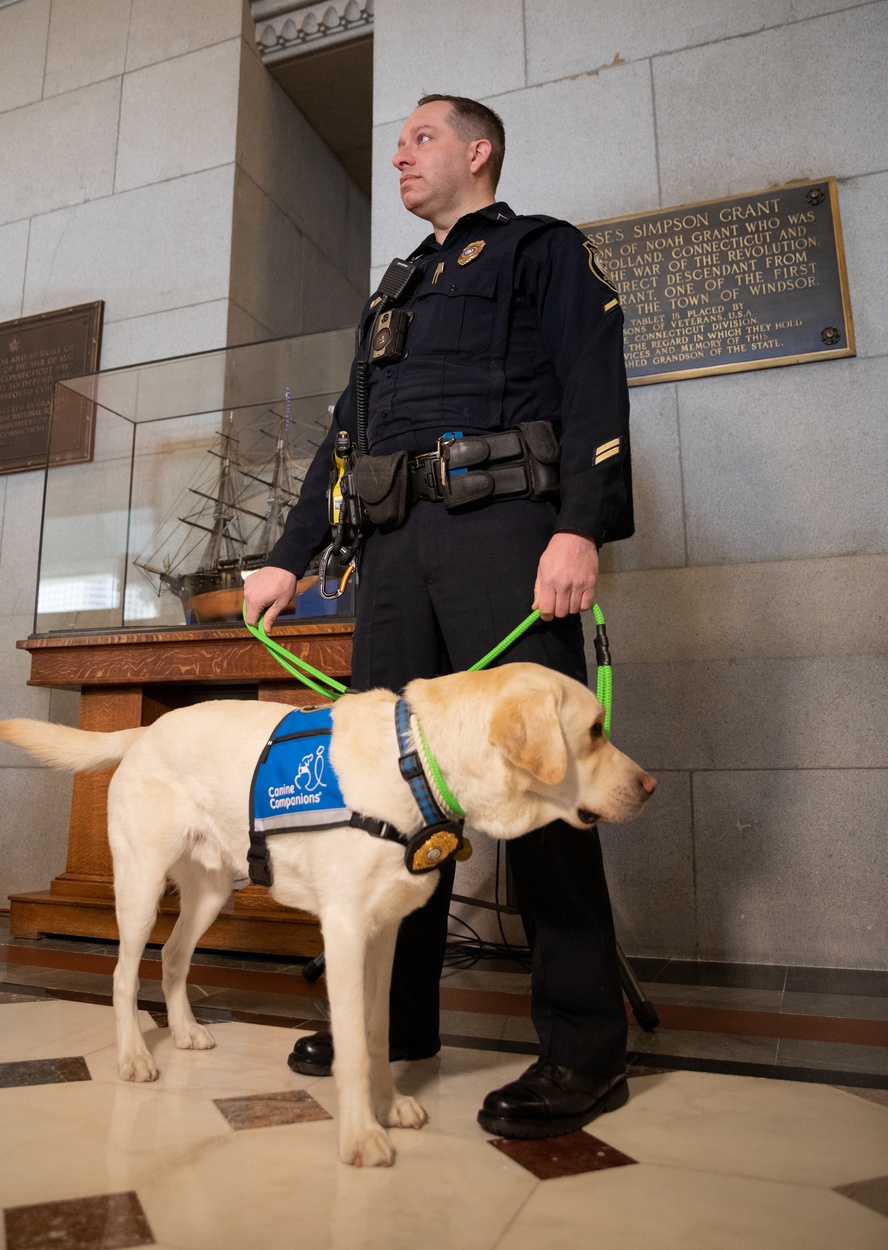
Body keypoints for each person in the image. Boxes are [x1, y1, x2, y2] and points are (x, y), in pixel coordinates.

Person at [243, 94, 634, 1139]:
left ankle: (584, 1049)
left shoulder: (543, 251)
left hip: (506, 534)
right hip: (395, 549)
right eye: (400, 141)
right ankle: (397, 1022)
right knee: (388, 790)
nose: (401, 154)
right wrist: (288, 558)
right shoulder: (396, 288)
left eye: (421, 138)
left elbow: (596, 386)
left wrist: (579, 528)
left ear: (478, 149)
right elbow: (344, 432)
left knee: (544, 782)